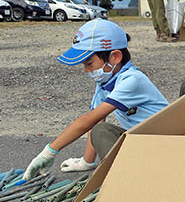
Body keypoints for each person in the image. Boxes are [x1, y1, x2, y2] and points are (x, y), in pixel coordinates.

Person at [22, 19, 169, 179]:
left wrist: (49, 152)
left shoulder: (132, 80)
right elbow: (96, 120)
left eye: (90, 64)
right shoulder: (105, 83)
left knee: (102, 131)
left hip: (164, 143)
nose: (86, 70)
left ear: (115, 57)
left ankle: (124, 179)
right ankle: (130, 171)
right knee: (100, 129)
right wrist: (87, 161)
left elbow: (86, 122)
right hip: (144, 141)